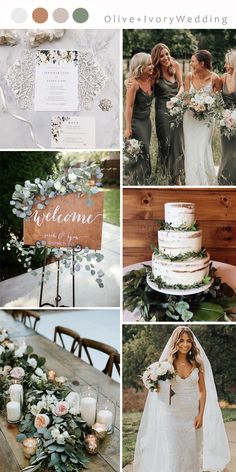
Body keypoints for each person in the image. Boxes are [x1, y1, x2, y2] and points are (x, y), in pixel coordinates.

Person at [134, 326, 230, 472]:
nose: (185, 344)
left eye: (188, 341)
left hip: (192, 414)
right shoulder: (166, 365)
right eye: (181, 341)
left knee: (192, 452)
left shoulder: (198, 363)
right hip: (171, 414)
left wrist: (201, 415)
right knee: (174, 453)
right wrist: (156, 386)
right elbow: (154, 385)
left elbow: (202, 391)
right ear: (175, 343)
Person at [183, 50, 221, 186]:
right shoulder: (188, 76)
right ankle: (192, 181)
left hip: (206, 119)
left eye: (193, 61)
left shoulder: (215, 78)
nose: (190, 63)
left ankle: (207, 181)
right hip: (190, 117)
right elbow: (186, 97)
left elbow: (218, 100)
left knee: (203, 146)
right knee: (192, 148)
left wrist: (205, 106)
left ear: (202, 63)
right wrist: (193, 105)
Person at [151, 43, 184, 185]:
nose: (165, 58)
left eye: (167, 54)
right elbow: (141, 80)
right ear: (157, 58)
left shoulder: (176, 65)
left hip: (177, 108)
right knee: (166, 142)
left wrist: (177, 97)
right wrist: (128, 81)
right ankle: (165, 174)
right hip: (162, 111)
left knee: (177, 142)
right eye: (162, 55)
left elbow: (182, 85)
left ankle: (177, 177)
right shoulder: (154, 72)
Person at [124, 52, 154, 184]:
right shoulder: (134, 84)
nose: (152, 66)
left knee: (145, 149)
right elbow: (129, 107)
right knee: (139, 150)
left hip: (147, 122)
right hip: (136, 123)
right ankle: (135, 178)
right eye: (149, 64)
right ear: (140, 67)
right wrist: (128, 127)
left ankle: (144, 178)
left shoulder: (152, 79)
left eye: (152, 63)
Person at [218, 49, 236, 185]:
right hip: (225, 121)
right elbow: (214, 95)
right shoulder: (223, 77)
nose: (225, 66)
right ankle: (224, 180)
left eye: (227, 64)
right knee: (227, 151)